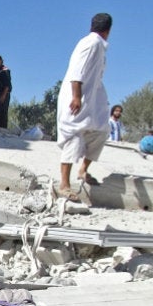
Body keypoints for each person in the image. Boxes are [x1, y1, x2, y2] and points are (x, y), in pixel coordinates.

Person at [56, 13, 113, 202]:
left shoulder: (100, 46)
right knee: (74, 136)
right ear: (108, 30)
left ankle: (83, 170)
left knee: (101, 131)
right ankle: (64, 184)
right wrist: (76, 96)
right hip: (76, 97)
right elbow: (77, 70)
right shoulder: (91, 43)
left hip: (91, 98)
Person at [0, 54, 12, 128]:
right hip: (0, 94)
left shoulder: (4, 70)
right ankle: (0, 128)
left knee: (3, 113)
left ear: (1, 61)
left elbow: (7, 85)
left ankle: (3, 130)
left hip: (4, 94)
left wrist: (3, 95)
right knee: (0, 113)